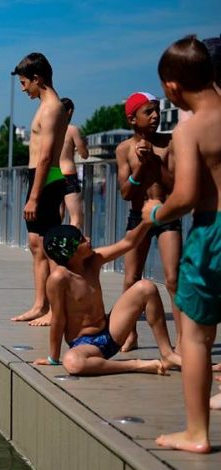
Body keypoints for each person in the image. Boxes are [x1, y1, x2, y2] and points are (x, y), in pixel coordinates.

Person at [144, 35, 221, 454]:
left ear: (172, 87)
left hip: (213, 232)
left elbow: (187, 195)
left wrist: (156, 213)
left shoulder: (189, 129)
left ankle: (196, 433)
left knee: (195, 336)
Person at [33, 224, 181, 376]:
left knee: (146, 287)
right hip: (85, 345)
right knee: (72, 362)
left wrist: (148, 220)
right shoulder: (59, 279)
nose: (88, 239)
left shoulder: (93, 260)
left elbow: (128, 243)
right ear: (70, 252)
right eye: (81, 240)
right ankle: (135, 365)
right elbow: (58, 320)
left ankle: (167, 353)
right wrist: (53, 357)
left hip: (111, 331)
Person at [115, 91, 181, 352]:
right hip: (138, 216)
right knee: (131, 278)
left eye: (157, 111)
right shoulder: (124, 150)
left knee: (173, 279)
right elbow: (125, 193)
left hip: (166, 214)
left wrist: (154, 159)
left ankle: (182, 339)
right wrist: (141, 167)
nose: (155, 116)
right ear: (133, 118)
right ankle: (130, 334)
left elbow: (176, 186)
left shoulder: (170, 143)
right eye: (148, 112)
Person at [10, 52, 68, 325]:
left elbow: (46, 156)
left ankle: (56, 309)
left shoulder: (52, 107)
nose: (23, 89)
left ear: (38, 78)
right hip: (40, 175)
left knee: (51, 245)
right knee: (36, 244)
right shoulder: (44, 105)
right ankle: (40, 304)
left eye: (24, 83)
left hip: (47, 176)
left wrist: (34, 197)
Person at [59, 98, 89, 229]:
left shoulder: (51, 130)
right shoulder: (71, 129)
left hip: (53, 175)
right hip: (68, 175)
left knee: (57, 216)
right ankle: (71, 248)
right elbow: (84, 154)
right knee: (76, 219)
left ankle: (53, 247)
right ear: (70, 111)